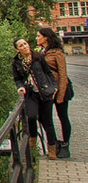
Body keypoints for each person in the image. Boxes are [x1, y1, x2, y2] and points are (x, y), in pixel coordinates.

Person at [12, 37, 59, 159]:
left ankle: (52, 150)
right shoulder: (16, 62)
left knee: (47, 122)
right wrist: (20, 87)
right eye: (21, 45)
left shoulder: (37, 57)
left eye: (25, 43)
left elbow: (48, 72)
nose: (25, 46)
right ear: (17, 49)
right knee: (31, 116)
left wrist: (54, 87)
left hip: (44, 92)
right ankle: (32, 144)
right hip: (31, 93)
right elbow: (17, 78)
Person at [38, 27, 72, 159]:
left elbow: (63, 74)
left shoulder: (57, 53)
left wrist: (61, 95)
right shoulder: (42, 51)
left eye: (39, 35)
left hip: (60, 89)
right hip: (48, 90)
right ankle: (54, 142)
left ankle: (65, 145)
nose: (37, 38)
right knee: (44, 117)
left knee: (63, 116)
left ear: (46, 37)